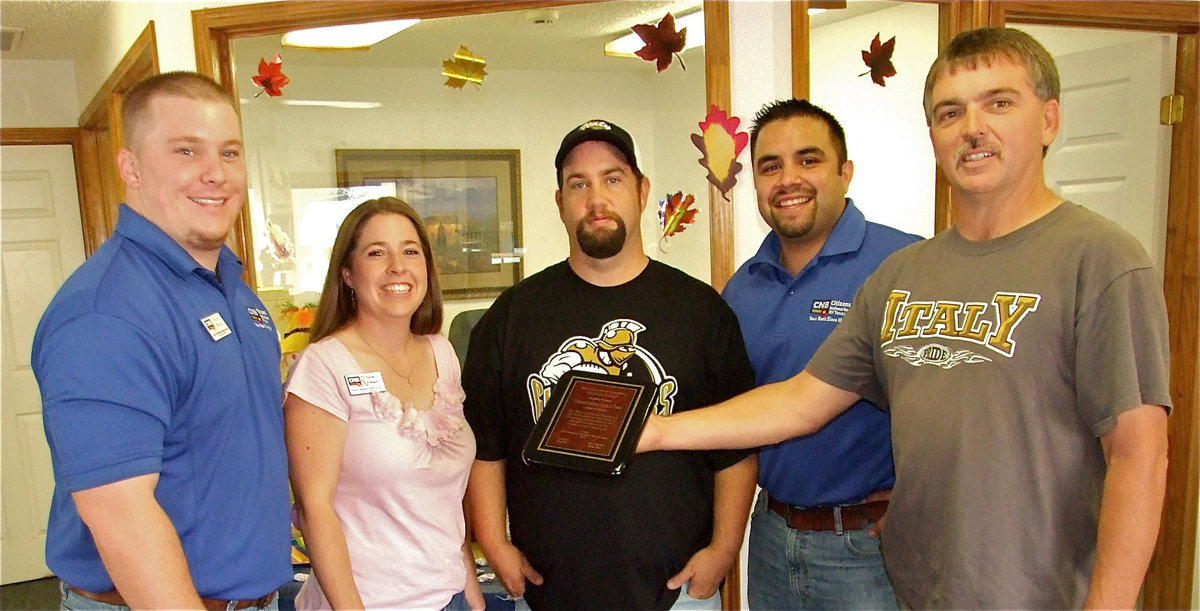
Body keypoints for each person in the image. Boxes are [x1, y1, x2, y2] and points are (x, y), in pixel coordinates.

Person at [639, 27, 1171, 610]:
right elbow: (797, 402)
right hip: (917, 587)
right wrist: (657, 431)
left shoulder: (1101, 260)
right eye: (950, 112)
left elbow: (1138, 455)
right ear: (934, 136)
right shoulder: (902, 275)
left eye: (998, 102)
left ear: (1048, 120)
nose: (972, 128)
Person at [463, 119, 758, 610]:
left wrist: (724, 549)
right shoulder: (512, 315)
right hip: (546, 590)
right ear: (559, 203)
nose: (596, 198)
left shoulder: (700, 310)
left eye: (613, 179)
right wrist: (494, 542)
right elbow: (484, 443)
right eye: (578, 184)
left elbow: (737, 443)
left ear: (642, 191)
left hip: (676, 592)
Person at [32, 71, 291, 610]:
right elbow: (121, 516)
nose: (215, 174)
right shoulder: (108, 313)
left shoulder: (236, 293)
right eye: (186, 151)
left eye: (229, 152)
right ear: (130, 167)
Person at [722, 98, 921, 610]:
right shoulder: (742, 289)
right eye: (771, 166)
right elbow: (735, 419)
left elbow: (960, 402)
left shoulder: (905, 265)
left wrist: (927, 499)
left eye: (808, 160)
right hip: (769, 536)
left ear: (845, 172)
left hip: (870, 547)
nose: (788, 179)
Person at [283, 197, 484, 610]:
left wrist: (471, 590)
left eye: (411, 251)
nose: (398, 266)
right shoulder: (324, 366)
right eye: (377, 253)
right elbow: (314, 508)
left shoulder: (441, 353)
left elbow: (444, 499)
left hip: (449, 598)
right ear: (348, 274)